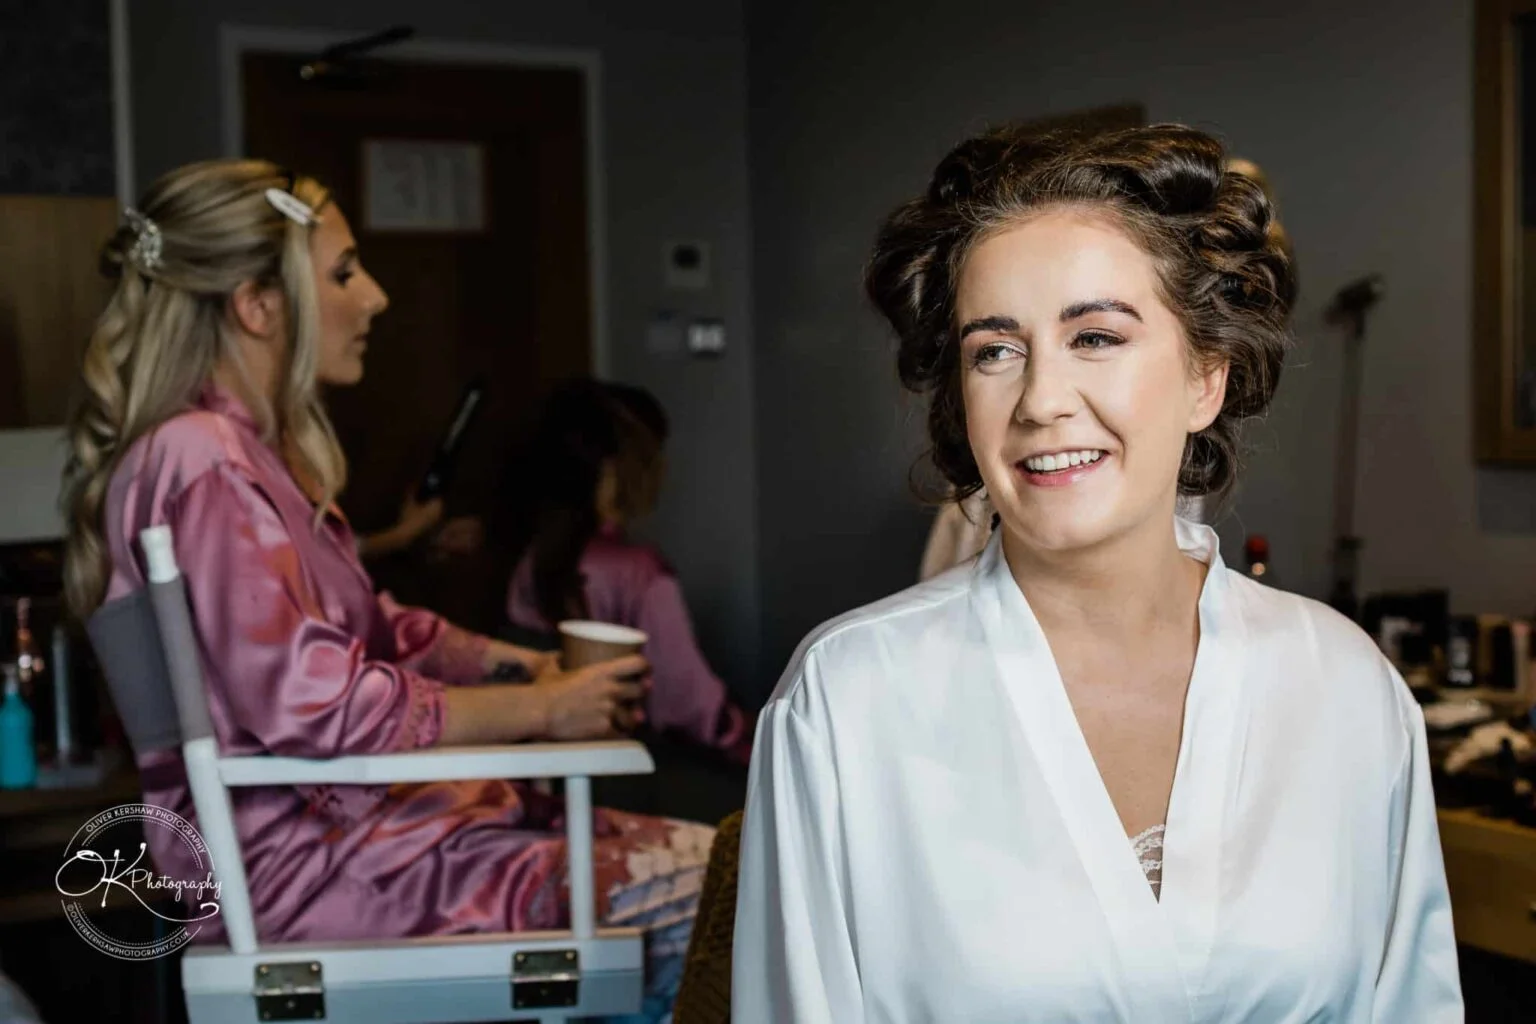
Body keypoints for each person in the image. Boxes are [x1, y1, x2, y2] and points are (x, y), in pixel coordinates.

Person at [732, 123, 1461, 1020]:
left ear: (1207, 377)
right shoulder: (848, 700)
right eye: (994, 351)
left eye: (1097, 338)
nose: (1040, 400)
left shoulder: (1345, 690)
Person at [60, 160, 709, 1022]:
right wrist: (544, 714)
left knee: (738, 865)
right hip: (329, 875)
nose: (374, 297)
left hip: (371, 845)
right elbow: (315, 700)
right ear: (258, 305)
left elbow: (383, 629)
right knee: (737, 892)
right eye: (341, 273)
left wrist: (530, 668)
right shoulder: (206, 459)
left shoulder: (236, 457)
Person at [505, 379, 752, 765]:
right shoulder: (640, 574)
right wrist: (749, 733)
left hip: (547, 771)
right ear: (619, 465)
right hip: (632, 770)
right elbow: (689, 707)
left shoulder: (531, 558)